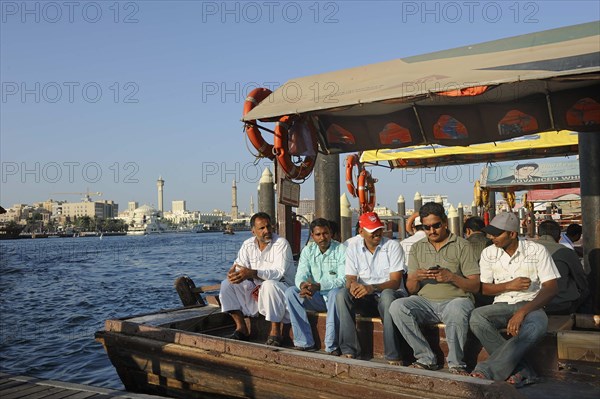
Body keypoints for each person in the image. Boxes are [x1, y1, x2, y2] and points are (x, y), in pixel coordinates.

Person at [470, 212, 560, 387]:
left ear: (512, 234)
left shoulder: (537, 250)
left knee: (536, 326)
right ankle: (522, 370)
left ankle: (488, 370)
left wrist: (522, 312)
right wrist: (508, 285)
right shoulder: (489, 252)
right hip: (502, 304)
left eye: (496, 234)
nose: (491, 237)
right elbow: (484, 288)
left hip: (532, 305)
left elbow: (551, 288)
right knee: (476, 317)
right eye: (490, 233)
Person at [389, 202, 480, 374]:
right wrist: (415, 277)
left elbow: (475, 285)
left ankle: (456, 363)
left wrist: (451, 277)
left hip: (456, 300)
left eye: (436, 226)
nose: (432, 231)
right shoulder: (417, 247)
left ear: (445, 222)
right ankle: (425, 357)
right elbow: (412, 289)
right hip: (425, 302)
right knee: (397, 306)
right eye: (427, 227)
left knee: (457, 307)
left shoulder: (462, 245)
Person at [336, 212, 406, 364]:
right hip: (366, 297)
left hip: (389, 296)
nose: (377, 233)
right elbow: (350, 278)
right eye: (372, 230)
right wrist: (353, 286)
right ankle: (349, 350)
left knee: (387, 296)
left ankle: (393, 355)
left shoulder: (393, 246)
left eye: (379, 229)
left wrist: (371, 288)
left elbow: (395, 282)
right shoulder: (352, 248)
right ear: (361, 232)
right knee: (342, 295)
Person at [219, 212, 295, 346]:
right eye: (262, 228)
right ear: (253, 231)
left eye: (269, 227)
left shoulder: (281, 244)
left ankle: (275, 331)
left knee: (269, 285)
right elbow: (239, 266)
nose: (267, 231)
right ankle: (241, 328)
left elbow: (278, 273)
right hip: (257, 289)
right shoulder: (247, 245)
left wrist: (253, 273)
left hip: (281, 289)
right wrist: (235, 274)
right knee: (227, 285)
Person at [285, 218, 346, 354]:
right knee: (291, 292)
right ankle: (304, 342)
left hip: (334, 299)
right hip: (316, 297)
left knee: (336, 293)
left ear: (330, 233)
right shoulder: (308, 250)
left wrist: (319, 286)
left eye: (325, 233)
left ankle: (332, 345)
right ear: (312, 236)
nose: (322, 237)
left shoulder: (341, 249)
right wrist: (303, 285)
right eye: (318, 234)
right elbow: (301, 274)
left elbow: (344, 280)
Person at [537, 220, 589, 314]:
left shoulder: (525, 251)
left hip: (531, 305)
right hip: (560, 305)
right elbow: (581, 279)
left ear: (537, 235)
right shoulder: (566, 252)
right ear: (559, 238)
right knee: (587, 293)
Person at [463, 216, 494, 307]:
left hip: (471, 293)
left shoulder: (462, 245)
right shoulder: (492, 243)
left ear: (468, 231)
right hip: (492, 292)